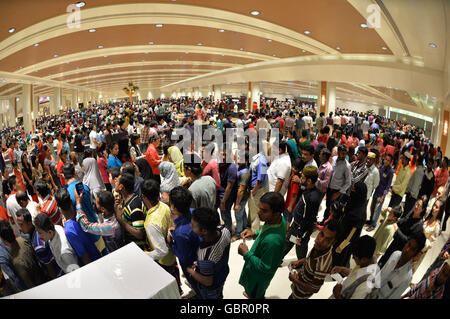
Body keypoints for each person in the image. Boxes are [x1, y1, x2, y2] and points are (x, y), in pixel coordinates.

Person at [238, 192, 287, 299]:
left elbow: (265, 267)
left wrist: (246, 254)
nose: (259, 212)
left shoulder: (273, 241)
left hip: (258, 278)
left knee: (256, 295)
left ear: (276, 213)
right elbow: (266, 229)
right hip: (257, 266)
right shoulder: (279, 220)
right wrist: (254, 233)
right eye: (259, 208)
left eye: (264, 211)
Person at [187, 207, 231, 299]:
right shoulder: (225, 230)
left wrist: (190, 271)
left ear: (204, 231)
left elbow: (207, 281)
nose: (190, 226)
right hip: (222, 272)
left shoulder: (206, 254)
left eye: (193, 225)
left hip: (211, 287)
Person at [288, 219, 339, 299]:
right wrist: (299, 261)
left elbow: (314, 289)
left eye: (327, 239)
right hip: (298, 286)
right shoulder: (320, 248)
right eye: (321, 234)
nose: (321, 241)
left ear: (333, 242)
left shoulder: (323, 265)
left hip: (301, 295)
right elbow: (310, 259)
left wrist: (295, 280)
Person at [63, 163, 105, 253]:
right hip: (95, 229)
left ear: (63, 176)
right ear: (74, 172)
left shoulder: (66, 194)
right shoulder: (81, 186)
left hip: (84, 235)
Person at [54, 188, 102, 265]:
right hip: (97, 255)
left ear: (58, 206)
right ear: (70, 202)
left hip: (93, 264)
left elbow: (85, 257)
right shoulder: (80, 216)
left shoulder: (69, 231)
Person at [282, 166, 321, 261]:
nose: (300, 179)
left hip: (301, 229)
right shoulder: (309, 190)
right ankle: (278, 259)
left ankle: (301, 265)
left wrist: (300, 234)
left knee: (300, 248)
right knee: (288, 243)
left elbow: (308, 218)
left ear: (309, 181)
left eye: (303, 178)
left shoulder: (312, 198)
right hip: (297, 226)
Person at [378, 195, 427, 268]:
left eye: (419, 206)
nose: (416, 206)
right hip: (394, 244)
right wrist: (394, 216)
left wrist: (397, 230)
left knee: (386, 269)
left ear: (422, 209)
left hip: (400, 252)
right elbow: (402, 221)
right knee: (381, 263)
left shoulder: (419, 226)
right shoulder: (412, 213)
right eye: (416, 204)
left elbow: (408, 241)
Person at [166, 187, 200, 288]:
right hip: (200, 254)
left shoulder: (180, 233)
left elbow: (183, 256)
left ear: (174, 207)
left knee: (198, 286)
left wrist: (171, 243)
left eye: (170, 203)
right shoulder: (194, 211)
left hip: (192, 265)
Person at [376, 231, 426, 299]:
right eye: (408, 244)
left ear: (415, 254)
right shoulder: (395, 254)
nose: (407, 250)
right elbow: (381, 273)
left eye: (412, 249)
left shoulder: (407, 278)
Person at [0, 220, 47, 289]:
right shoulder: (23, 239)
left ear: (5, 241)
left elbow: (27, 284)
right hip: (42, 277)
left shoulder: (17, 262)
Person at [15, 208, 60, 279]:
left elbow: (50, 269)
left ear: (29, 223)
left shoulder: (38, 245)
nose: (19, 228)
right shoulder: (37, 231)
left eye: (21, 225)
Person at [114, 173, 147, 250]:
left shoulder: (134, 206)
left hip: (139, 249)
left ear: (121, 187)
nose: (114, 181)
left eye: (117, 181)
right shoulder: (124, 200)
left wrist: (121, 220)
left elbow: (140, 234)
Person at [320, 145, 351, 224]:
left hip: (336, 191)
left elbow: (348, 182)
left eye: (345, 153)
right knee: (327, 206)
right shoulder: (333, 159)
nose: (344, 155)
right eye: (342, 153)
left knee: (332, 209)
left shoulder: (347, 166)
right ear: (338, 152)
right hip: (329, 188)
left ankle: (327, 223)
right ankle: (324, 221)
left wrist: (338, 193)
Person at [367, 153, 394, 231]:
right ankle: (370, 221)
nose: (386, 161)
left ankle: (373, 225)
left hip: (381, 195)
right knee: (372, 208)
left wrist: (383, 197)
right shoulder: (381, 168)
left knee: (377, 211)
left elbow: (388, 186)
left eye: (388, 160)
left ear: (390, 162)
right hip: (376, 191)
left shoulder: (390, 172)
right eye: (385, 159)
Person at [247, 143, 269, 232]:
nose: (249, 147)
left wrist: (254, 191)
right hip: (253, 188)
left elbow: (260, 180)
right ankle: (249, 224)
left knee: (255, 210)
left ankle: (254, 230)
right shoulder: (256, 158)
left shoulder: (262, 161)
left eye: (250, 146)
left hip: (257, 189)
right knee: (251, 208)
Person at [217, 149, 238, 234]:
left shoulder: (231, 168)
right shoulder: (221, 164)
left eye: (225, 155)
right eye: (221, 154)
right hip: (220, 194)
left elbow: (229, 187)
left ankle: (228, 232)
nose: (223, 157)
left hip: (227, 196)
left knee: (226, 214)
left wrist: (223, 201)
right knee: (221, 213)